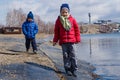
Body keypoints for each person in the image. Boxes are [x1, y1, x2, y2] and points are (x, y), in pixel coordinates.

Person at [53, 3, 81, 77]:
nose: (65, 13)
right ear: (60, 12)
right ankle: (67, 69)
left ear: (68, 12)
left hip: (72, 41)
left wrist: (78, 39)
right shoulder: (58, 20)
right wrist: (55, 40)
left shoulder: (72, 19)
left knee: (73, 55)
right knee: (66, 56)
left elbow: (77, 30)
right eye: (63, 12)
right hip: (63, 42)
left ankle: (74, 69)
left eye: (66, 12)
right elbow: (56, 31)